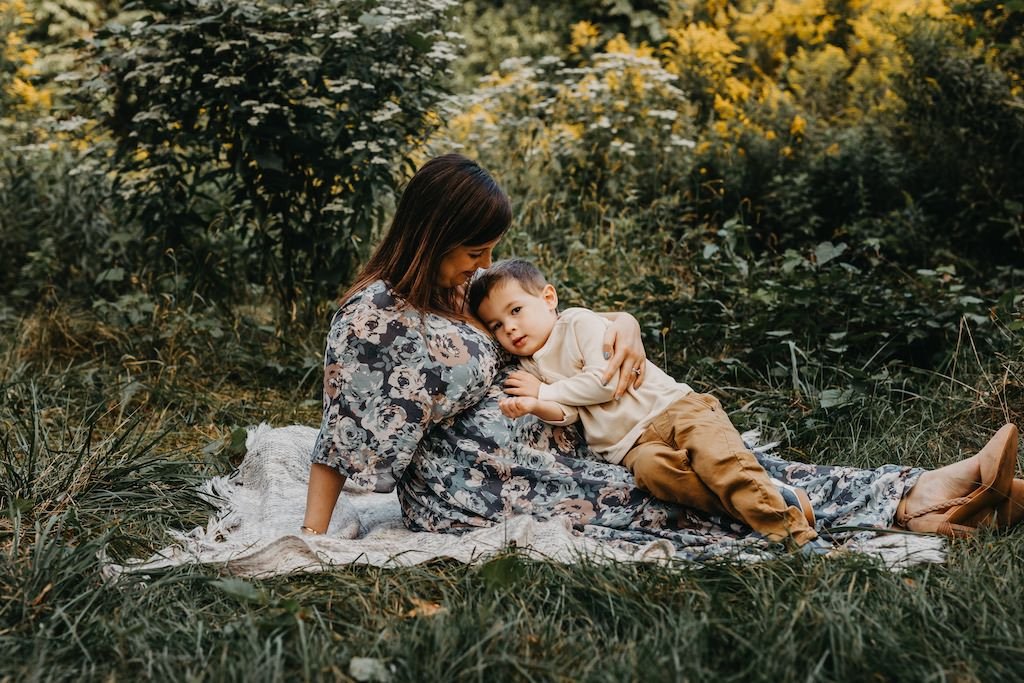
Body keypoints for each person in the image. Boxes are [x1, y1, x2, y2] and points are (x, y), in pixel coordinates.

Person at [302, 152, 1022, 555]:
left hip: (567, 449)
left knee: (726, 466)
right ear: (431, 234)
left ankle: (926, 491)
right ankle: (917, 500)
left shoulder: (455, 292)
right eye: (475, 251)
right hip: (488, 490)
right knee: (684, 503)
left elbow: (544, 316)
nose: (481, 266)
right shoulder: (374, 318)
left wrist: (624, 318)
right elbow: (343, 436)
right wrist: (310, 538)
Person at [468, 258, 822, 548]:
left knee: (720, 461)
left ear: (548, 298)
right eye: (497, 325)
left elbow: (603, 383)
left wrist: (543, 392)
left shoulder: (578, 324)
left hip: (674, 410)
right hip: (632, 446)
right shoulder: (531, 366)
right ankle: (774, 497)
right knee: (659, 477)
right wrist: (533, 404)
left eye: (516, 310)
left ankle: (795, 536)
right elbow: (568, 413)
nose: (510, 329)